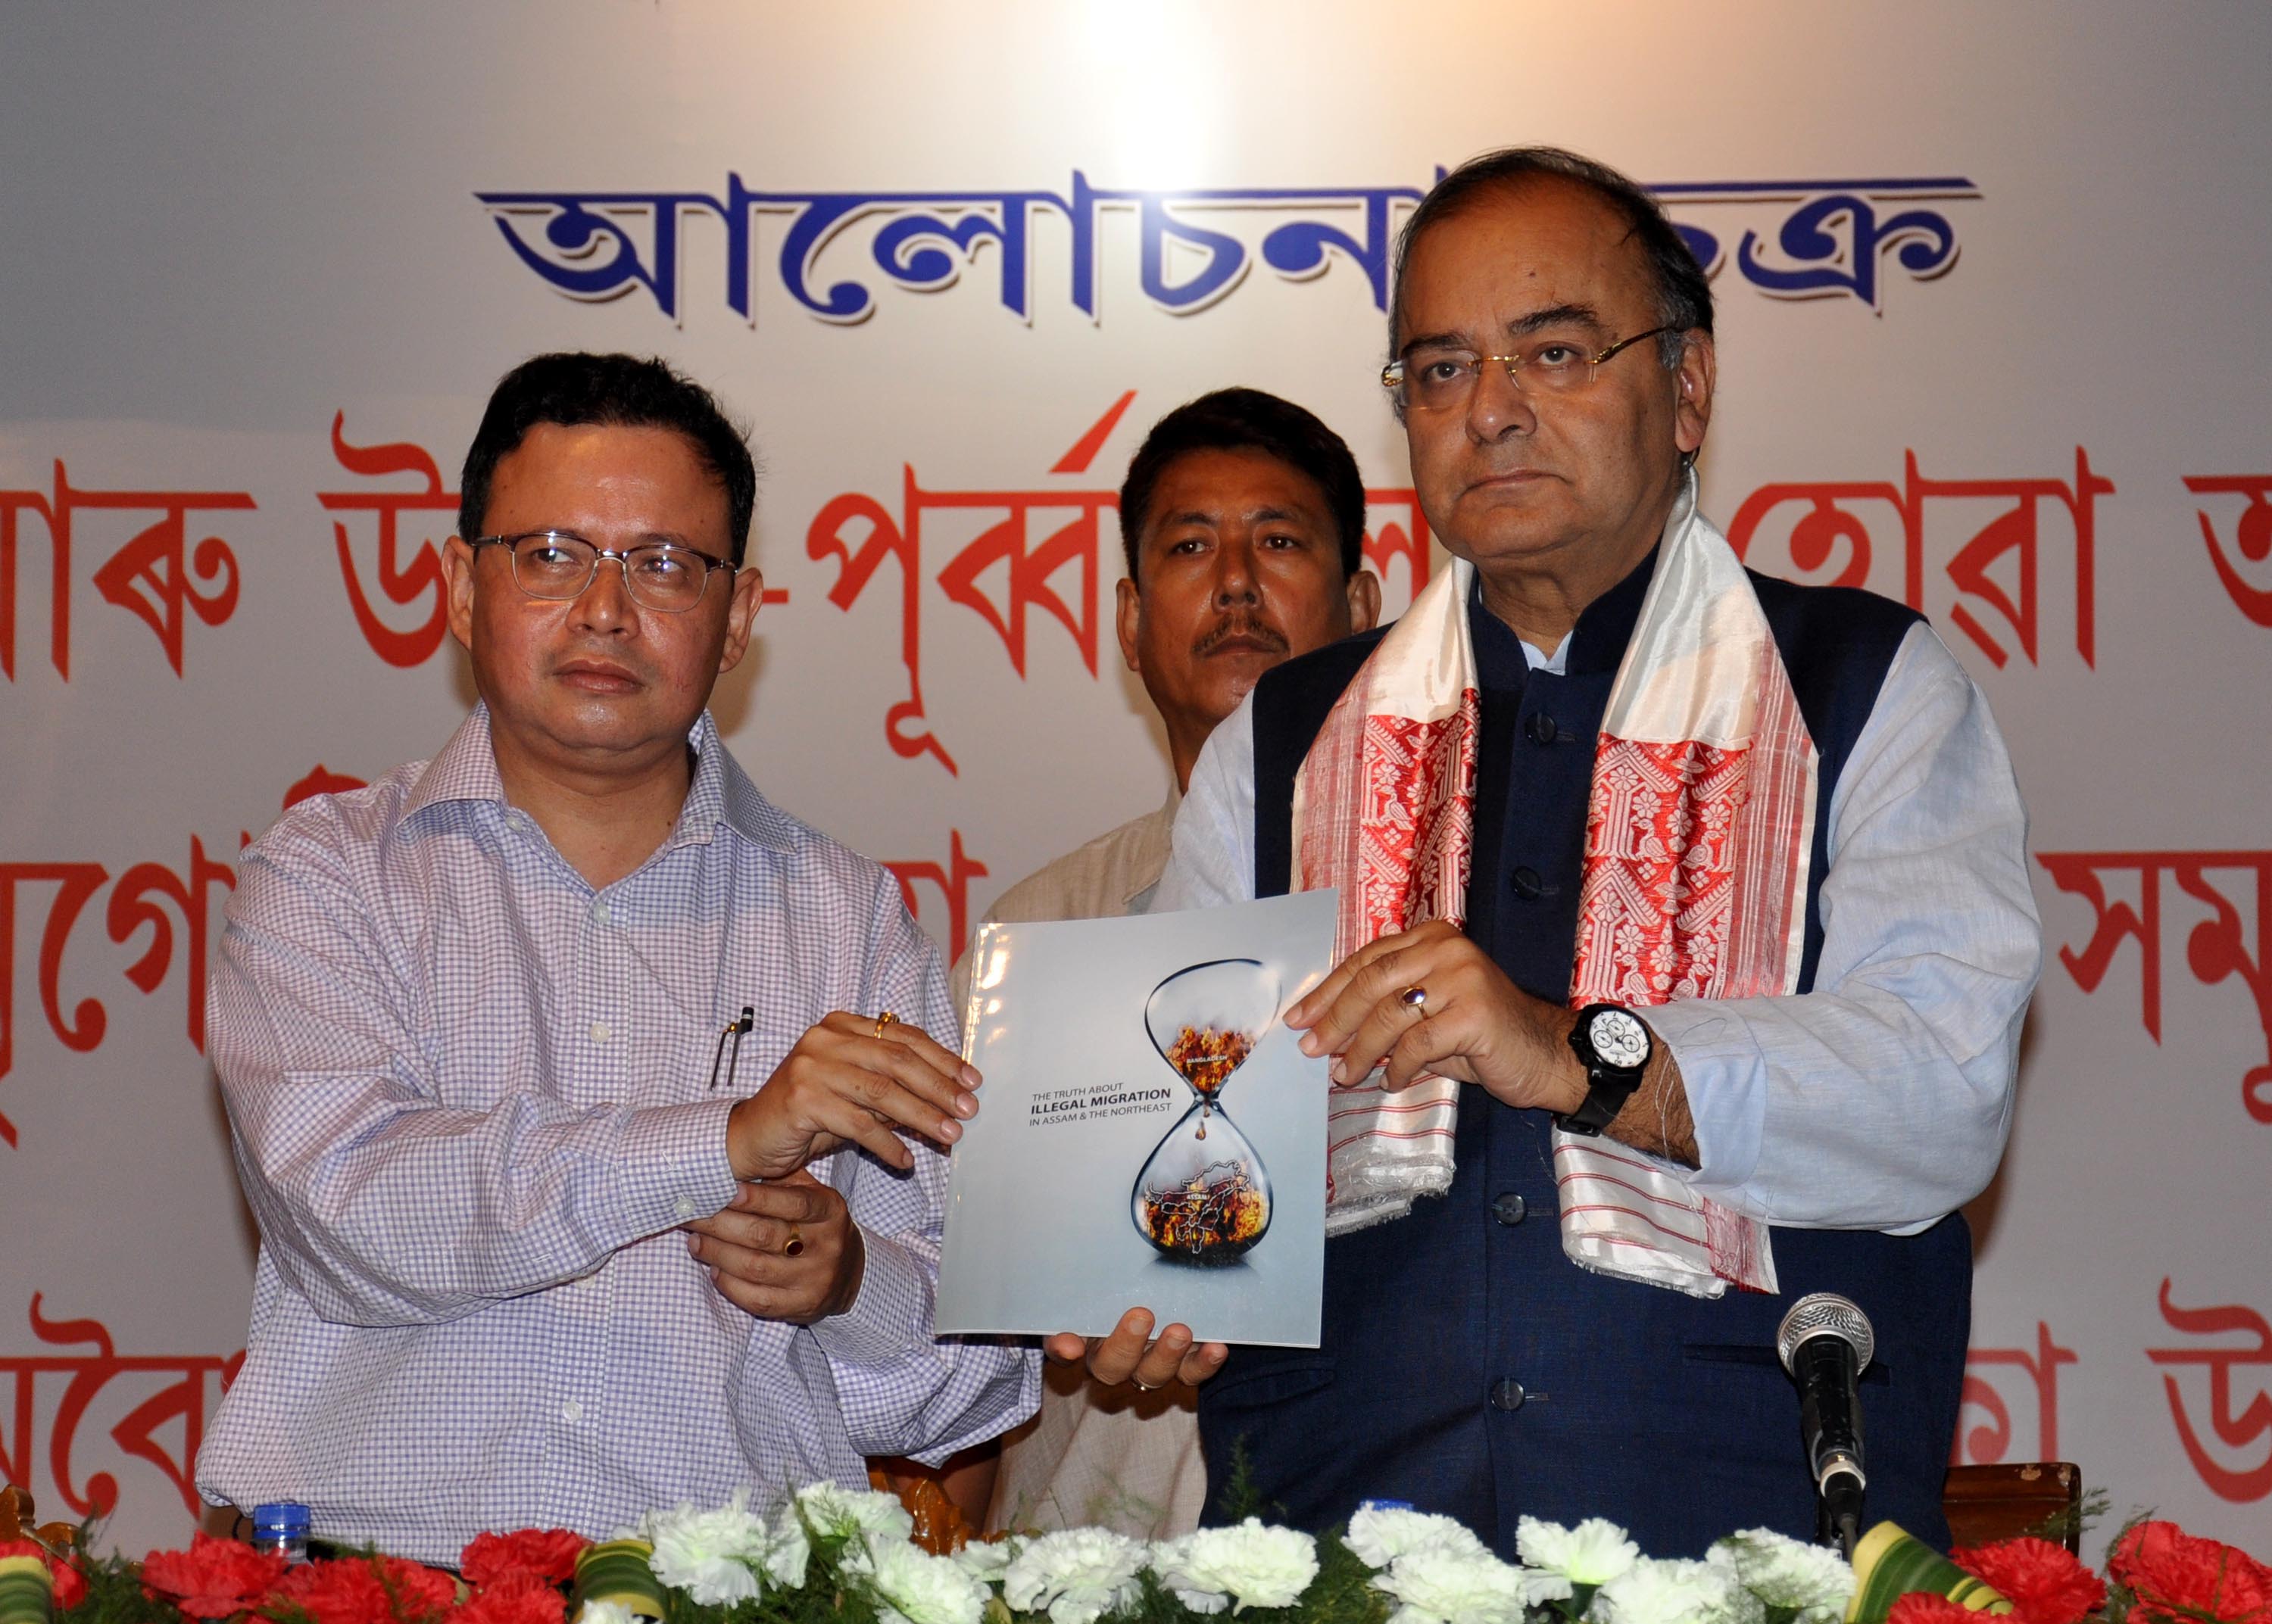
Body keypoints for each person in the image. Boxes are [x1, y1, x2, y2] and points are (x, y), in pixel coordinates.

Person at [1145, 148, 2041, 1555]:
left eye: (1552, 351)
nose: (1490, 411)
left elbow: (1944, 1082)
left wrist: (1580, 1052)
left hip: (1745, 1547)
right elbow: (1169, 1119)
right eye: (1438, 372)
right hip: (1335, 1550)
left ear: (1688, 388)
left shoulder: (1861, 687)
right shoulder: (1284, 740)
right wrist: (1146, 1278)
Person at [198, 352, 1038, 1563]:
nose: (603, 608)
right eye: (549, 554)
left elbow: (980, 1376)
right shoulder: (329, 874)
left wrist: (850, 1283)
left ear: (740, 615)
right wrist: (721, 1140)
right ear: (456, 586)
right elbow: (354, 1215)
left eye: (661, 564)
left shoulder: (849, 919)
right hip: (374, 1580)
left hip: (736, 1586)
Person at [946, 389, 1380, 1538]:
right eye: (1192, 545)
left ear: (1366, 603)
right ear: (1131, 622)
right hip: (1094, 1559)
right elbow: (954, 1362)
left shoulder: (1463, 914)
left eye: (1280, 540)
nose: (1236, 579)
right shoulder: (1037, 935)